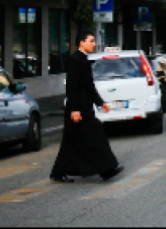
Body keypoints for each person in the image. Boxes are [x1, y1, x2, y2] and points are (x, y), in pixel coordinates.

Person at [50, 31, 124, 183]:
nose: (94, 44)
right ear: (82, 43)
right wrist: (75, 109)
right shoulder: (75, 59)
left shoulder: (83, 59)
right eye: (91, 41)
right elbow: (72, 86)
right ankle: (107, 169)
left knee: (72, 141)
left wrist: (100, 102)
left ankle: (59, 172)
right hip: (79, 108)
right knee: (95, 134)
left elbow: (89, 86)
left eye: (94, 41)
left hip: (85, 106)